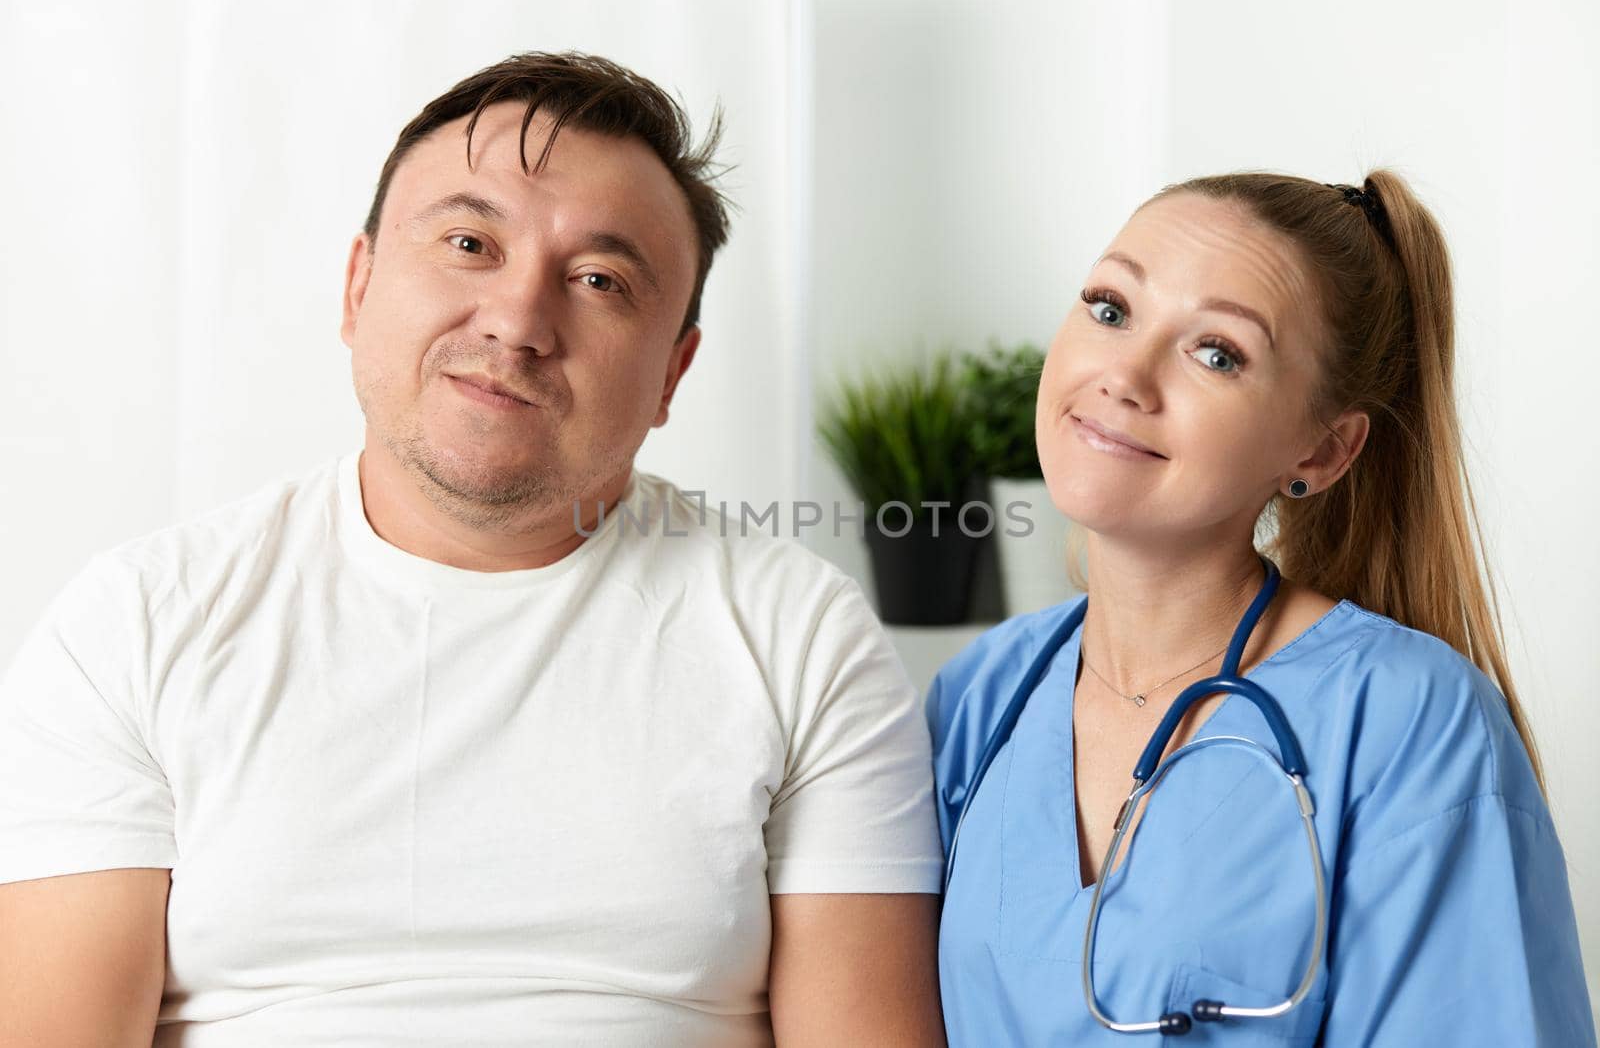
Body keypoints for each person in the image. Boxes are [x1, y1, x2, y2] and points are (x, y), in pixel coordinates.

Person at [0, 52, 944, 1046]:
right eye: (467, 241)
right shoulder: (139, 618)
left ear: (673, 370)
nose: (517, 319)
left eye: (598, 279)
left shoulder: (801, 635)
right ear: (359, 284)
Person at [927, 170, 1596, 1045]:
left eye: (1217, 353)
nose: (1124, 373)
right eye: (1109, 306)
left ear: (1321, 450)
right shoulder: (980, 698)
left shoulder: (1409, 721)